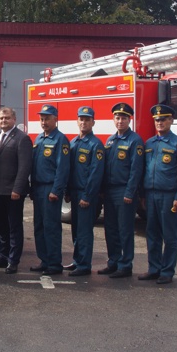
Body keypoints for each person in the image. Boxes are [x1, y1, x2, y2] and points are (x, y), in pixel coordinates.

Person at [139, 104, 177, 285]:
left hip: (169, 196)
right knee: (152, 233)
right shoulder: (149, 144)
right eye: (157, 120)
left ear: (171, 120)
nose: (160, 122)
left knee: (169, 235)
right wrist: (142, 194)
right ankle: (153, 269)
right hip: (151, 195)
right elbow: (144, 170)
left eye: (163, 119)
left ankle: (167, 271)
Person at [100, 102, 144, 278]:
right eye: (117, 118)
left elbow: (136, 170)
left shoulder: (135, 141)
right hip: (110, 192)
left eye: (124, 118)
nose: (120, 121)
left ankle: (125, 265)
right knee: (110, 229)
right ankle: (113, 262)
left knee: (124, 230)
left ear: (129, 119)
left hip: (124, 191)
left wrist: (130, 192)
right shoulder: (111, 140)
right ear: (113, 119)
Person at [0, 107, 32, 274]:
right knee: (2, 226)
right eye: (1, 118)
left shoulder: (22, 139)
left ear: (14, 119)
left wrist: (18, 189)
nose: (3, 121)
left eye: (7, 118)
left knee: (14, 227)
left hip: (13, 192)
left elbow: (24, 167)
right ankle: (3, 256)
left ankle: (13, 260)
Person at [30, 104, 71, 275]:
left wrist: (56, 190)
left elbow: (62, 168)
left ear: (55, 119)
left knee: (51, 227)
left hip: (50, 189)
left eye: (47, 118)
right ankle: (44, 260)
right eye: (41, 118)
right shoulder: (39, 139)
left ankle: (54, 263)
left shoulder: (60, 140)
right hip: (38, 188)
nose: (44, 121)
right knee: (38, 226)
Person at [66, 106, 105, 277]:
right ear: (77, 121)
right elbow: (69, 170)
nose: (83, 122)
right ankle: (77, 260)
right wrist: (67, 191)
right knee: (76, 230)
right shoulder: (74, 142)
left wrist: (88, 196)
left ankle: (84, 264)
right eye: (81, 119)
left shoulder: (95, 144)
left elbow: (96, 174)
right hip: (74, 193)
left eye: (87, 120)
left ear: (93, 122)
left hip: (85, 194)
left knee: (84, 231)